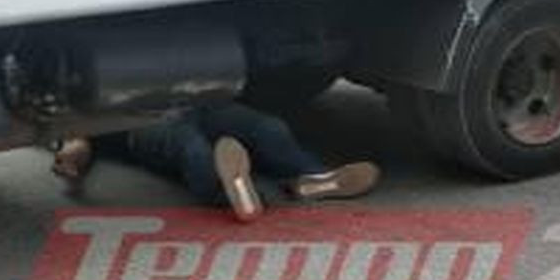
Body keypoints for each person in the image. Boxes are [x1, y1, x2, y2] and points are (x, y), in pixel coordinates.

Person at [52, 102, 380, 222]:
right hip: (139, 121)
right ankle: (229, 192)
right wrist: (74, 148)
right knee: (191, 149)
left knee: (267, 128)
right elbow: (73, 128)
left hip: (200, 102)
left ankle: (311, 178)